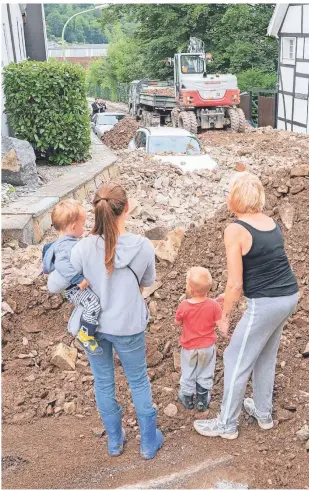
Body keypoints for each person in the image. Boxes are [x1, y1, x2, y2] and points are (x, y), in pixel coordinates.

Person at [194, 171, 299, 440]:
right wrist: (226, 297)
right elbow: (263, 267)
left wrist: (224, 314)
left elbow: (236, 283)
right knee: (265, 354)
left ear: (235, 198)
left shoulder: (235, 229)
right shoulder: (270, 223)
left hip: (265, 303)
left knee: (234, 357)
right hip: (287, 296)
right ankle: (263, 414)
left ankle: (226, 424)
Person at [69, 182, 163, 460]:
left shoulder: (82, 248)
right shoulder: (143, 246)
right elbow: (147, 282)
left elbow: (64, 282)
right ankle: (148, 443)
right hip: (128, 325)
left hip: (92, 326)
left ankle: (114, 440)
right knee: (138, 380)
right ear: (127, 207)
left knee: (103, 381)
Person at [42, 200, 102, 356]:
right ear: (74, 227)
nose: (84, 227)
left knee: (88, 303)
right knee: (93, 304)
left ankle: (82, 327)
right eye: (83, 224)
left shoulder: (64, 242)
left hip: (73, 287)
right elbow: (62, 264)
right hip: (74, 288)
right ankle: (85, 335)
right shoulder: (66, 246)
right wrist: (78, 279)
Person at [175, 267, 223, 412]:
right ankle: (202, 401)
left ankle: (188, 399)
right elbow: (217, 321)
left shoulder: (184, 306)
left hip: (189, 348)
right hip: (207, 347)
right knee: (205, 372)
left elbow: (177, 322)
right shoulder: (214, 305)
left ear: (191, 289)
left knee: (188, 372)